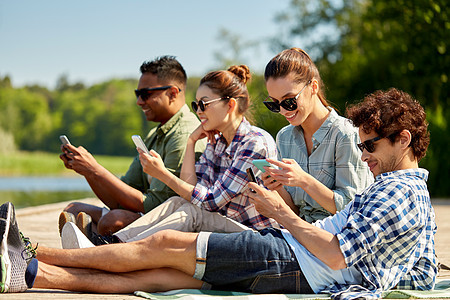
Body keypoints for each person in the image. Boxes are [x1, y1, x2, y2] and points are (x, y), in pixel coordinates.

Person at [1, 88, 437, 299]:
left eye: (370, 145)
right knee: (162, 276)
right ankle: (31, 274)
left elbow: (337, 254)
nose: (364, 156)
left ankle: (29, 251)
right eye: (360, 145)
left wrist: (279, 213)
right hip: (293, 260)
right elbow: (415, 264)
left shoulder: (400, 193)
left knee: (164, 245)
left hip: (291, 259)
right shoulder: (405, 190)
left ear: (403, 139)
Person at [62, 64, 279, 247]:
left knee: (193, 213)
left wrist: (163, 174)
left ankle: (114, 248)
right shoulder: (217, 141)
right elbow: (191, 191)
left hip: (254, 236)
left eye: (203, 104)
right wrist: (192, 141)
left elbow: (210, 202)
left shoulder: (254, 143)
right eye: (196, 105)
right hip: (222, 225)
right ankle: (112, 245)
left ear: (230, 105)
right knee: (178, 203)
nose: (198, 111)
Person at [58, 56, 206, 237]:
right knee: (73, 210)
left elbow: (156, 206)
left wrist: (95, 169)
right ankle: (96, 241)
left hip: (174, 222)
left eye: (146, 94)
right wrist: (88, 172)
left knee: (113, 221)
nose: (139, 102)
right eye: (138, 94)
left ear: (173, 93)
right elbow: (119, 198)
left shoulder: (184, 135)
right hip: (150, 215)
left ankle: (95, 242)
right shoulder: (156, 134)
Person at [260, 47, 373, 222]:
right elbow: (297, 212)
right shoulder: (284, 137)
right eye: (274, 104)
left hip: (338, 237)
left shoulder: (345, 134)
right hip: (301, 233)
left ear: (313, 87)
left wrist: (304, 180)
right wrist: (278, 188)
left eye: (289, 101)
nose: (282, 111)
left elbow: (353, 208)